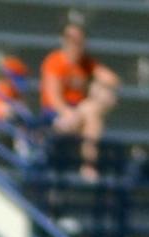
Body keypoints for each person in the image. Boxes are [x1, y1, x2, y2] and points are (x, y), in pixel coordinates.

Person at [40, 22, 119, 181]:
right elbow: (53, 96)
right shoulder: (55, 61)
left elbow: (113, 80)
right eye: (71, 39)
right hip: (57, 115)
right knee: (91, 115)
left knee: (100, 102)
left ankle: (88, 165)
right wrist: (67, 112)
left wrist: (94, 86)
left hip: (79, 113)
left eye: (78, 40)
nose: (74, 44)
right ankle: (89, 165)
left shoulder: (86, 64)